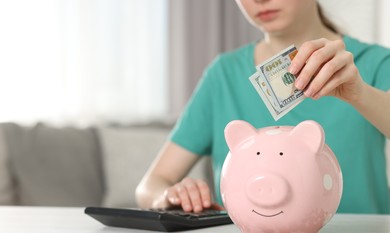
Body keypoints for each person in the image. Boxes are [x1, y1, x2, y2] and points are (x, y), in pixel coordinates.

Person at [136, 0, 390, 214]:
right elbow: (150, 185)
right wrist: (169, 196)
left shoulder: (375, 63)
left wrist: (361, 94)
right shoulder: (223, 74)